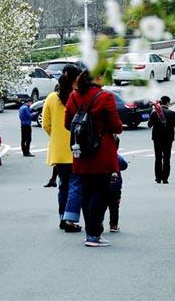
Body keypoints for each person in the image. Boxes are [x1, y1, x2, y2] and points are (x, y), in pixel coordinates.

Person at [65, 70, 123, 247]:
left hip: (81, 151)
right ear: (97, 78)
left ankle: (90, 232)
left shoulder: (74, 96)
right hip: (101, 151)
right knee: (102, 192)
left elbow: (68, 124)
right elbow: (116, 126)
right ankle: (93, 234)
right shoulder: (105, 97)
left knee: (86, 192)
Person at [43, 64, 84, 233]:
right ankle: (70, 219)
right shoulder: (78, 97)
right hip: (77, 147)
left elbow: (46, 124)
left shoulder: (52, 98)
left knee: (63, 185)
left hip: (59, 150)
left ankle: (62, 217)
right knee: (76, 184)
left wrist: (57, 137)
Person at [148, 95, 175, 184]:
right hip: (168, 138)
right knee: (167, 158)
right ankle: (165, 178)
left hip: (157, 138)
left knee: (158, 158)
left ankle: (158, 178)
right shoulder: (172, 113)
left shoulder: (154, 112)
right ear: (168, 103)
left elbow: (149, 125)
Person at [106, 136, 128, 233]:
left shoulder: (103, 156)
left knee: (101, 206)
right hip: (115, 187)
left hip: (103, 185)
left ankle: (98, 223)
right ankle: (113, 225)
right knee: (114, 207)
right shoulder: (117, 157)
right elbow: (124, 165)